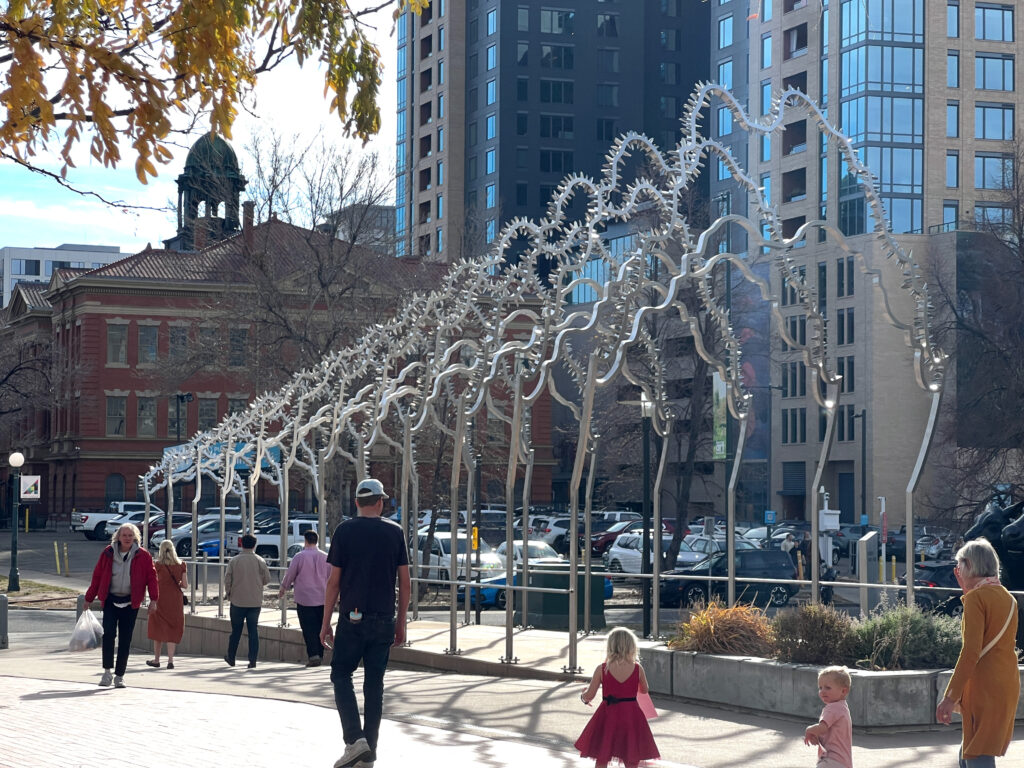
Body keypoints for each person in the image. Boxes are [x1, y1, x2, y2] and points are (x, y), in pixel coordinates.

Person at [320, 478, 410, 768]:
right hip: (384, 618)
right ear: (381, 502)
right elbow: (405, 583)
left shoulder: (344, 531)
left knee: (341, 674)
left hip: (353, 617)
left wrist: (325, 622)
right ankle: (368, 754)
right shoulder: (395, 532)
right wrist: (402, 624)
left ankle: (354, 741)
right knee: (375, 686)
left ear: (357, 502)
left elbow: (333, 583)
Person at [936, 540, 1019, 768]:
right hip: (1005, 684)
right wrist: (966, 588)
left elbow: (970, 651)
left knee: (977, 755)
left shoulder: (975, 599)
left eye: (959, 565)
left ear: (969, 564)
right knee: (972, 751)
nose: (957, 570)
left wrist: (950, 696)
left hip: (983, 687)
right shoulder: (1007, 598)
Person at [84, 522, 159, 688]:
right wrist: (89, 598)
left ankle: (119, 676)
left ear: (135, 538)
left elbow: (152, 578)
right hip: (111, 600)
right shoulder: (108, 553)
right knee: (109, 635)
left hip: (131, 603)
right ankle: (106, 673)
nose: (127, 538)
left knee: (125, 640)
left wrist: (154, 599)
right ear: (118, 537)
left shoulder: (143, 555)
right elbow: (97, 576)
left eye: (130, 536)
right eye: (124, 535)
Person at [574, 626, 660, 768]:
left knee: (602, 755)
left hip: (608, 715)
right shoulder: (637, 668)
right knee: (631, 755)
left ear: (610, 646)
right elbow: (645, 690)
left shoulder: (602, 669)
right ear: (632, 647)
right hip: (631, 715)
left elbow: (590, 695)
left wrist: (583, 696)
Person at [279, 529, 331, 666]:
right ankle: (320, 653)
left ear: (306, 540)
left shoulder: (299, 556)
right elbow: (331, 578)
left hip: (305, 598)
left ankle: (313, 655)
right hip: (322, 598)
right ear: (317, 540)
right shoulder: (326, 557)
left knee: (308, 628)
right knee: (321, 627)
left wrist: (284, 587)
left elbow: (290, 574)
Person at [224, 533, 271, 669]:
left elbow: (228, 580)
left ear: (241, 544)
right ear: (254, 545)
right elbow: (267, 579)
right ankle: (252, 660)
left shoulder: (234, 560)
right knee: (253, 631)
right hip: (255, 601)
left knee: (236, 631)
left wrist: (229, 593)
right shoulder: (260, 560)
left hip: (237, 601)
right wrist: (258, 584)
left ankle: (231, 657)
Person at [146, 539, 189, 669]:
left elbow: (153, 582)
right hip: (175, 600)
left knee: (157, 628)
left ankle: (156, 660)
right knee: (173, 627)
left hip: (160, 599)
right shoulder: (181, 564)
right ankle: (170, 661)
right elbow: (185, 585)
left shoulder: (157, 565)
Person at [803, 665, 853, 768]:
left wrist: (809, 730)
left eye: (828, 688)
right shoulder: (842, 707)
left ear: (844, 691)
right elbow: (830, 732)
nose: (822, 691)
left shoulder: (832, 708)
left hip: (832, 760)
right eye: (820, 688)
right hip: (843, 761)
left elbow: (822, 728)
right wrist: (816, 737)